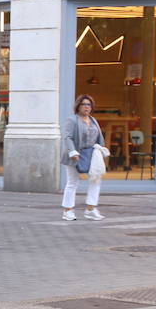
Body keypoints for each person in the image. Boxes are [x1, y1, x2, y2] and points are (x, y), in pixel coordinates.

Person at [61, 93, 107, 221]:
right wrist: (73, 152)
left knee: (95, 180)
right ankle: (68, 210)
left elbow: (99, 137)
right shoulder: (72, 120)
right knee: (72, 182)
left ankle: (91, 209)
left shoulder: (93, 120)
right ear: (78, 106)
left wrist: (101, 149)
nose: (86, 107)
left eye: (89, 104)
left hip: (91, 154)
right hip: (75, 155)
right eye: (83, 104)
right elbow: (67, 137)